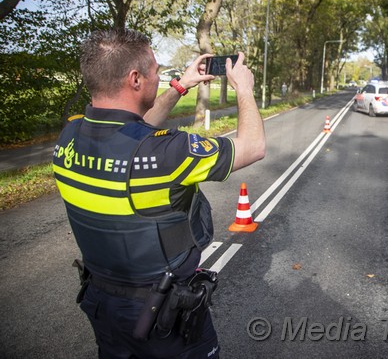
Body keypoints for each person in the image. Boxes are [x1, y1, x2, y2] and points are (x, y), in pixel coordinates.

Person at [52, 28, 265, 358]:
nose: (160, 78)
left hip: (102, 304)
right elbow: (253, 147)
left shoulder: (70, 135)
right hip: (163, 316)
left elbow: (132, 133)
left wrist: (182, 86)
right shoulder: (168, 151)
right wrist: (245, 90)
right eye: (157, 72)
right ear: (135, 79)